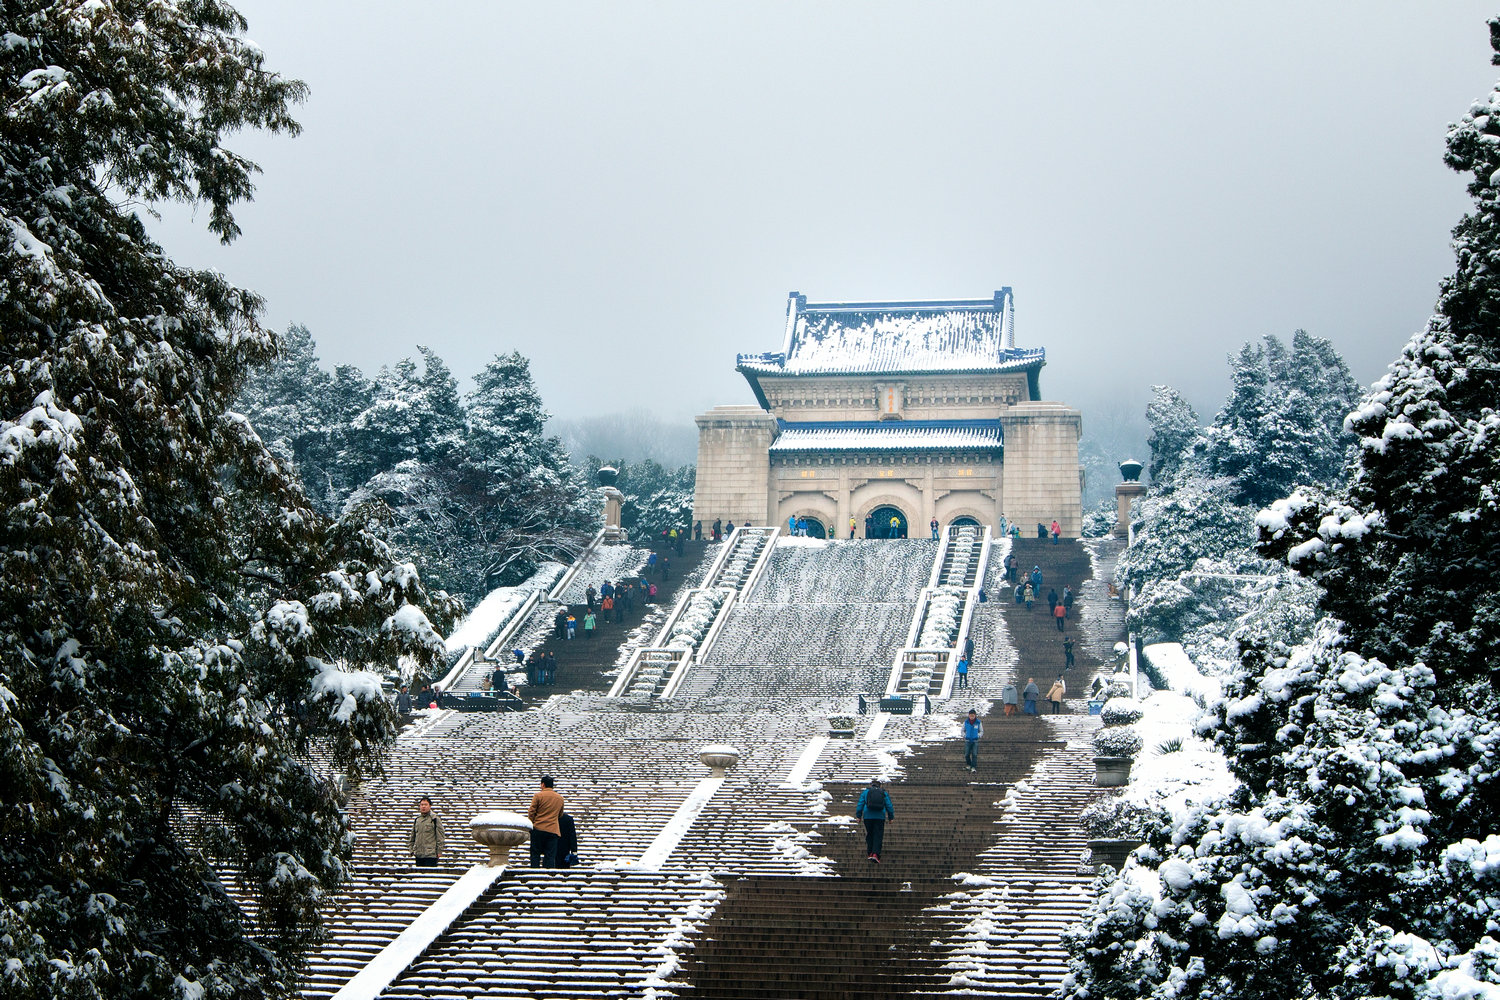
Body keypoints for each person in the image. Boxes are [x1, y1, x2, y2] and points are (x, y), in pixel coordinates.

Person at [528, 776, 564, 868]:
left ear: (543, 784)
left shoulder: (538, 796)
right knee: (550, 856)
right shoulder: (560, 798)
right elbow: (560, 815)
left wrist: (531, 823)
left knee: (535, 854)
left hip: (538, 828)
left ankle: (534, 875)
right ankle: (548, 877)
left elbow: (531, 811)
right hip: (553, 830)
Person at [855, 778, 894, 863]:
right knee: (878, 835)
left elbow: (860, 804)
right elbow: (889, 805)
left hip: (868, 817)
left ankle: (870, 853)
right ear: (879, 786)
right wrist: (891, 817)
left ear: (871, 785)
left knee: (870, 834)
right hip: (880, 817)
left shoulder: (866, 792)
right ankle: (876, 854)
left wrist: (858, 816)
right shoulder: (883, 792)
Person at [409, 796, 443, 867]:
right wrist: (411, 849)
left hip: (431, 855)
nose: (423, 807)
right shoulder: (417, 820)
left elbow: (440, 836)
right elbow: (413, 836)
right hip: (419, 854)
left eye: (425, 805)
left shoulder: (435, 819)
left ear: (430, 806)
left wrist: (439, 851)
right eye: (421, 805)